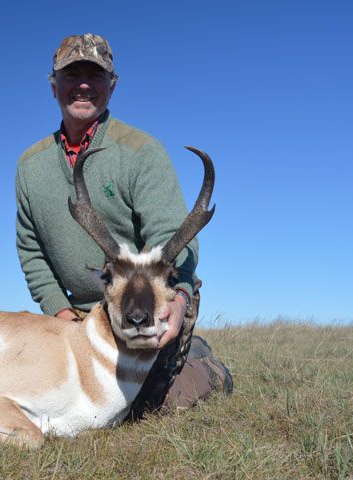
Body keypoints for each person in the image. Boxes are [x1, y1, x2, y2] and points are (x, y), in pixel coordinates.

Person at [15, 34, 232, 414]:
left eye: (95, 76)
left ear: (112, 87)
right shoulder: (30, 166)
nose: (83, 84)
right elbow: (31, 251)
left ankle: (205, 367)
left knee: (142, 407)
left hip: (150, 304)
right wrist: (60, 313)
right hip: (78, 317)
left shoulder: (141, 152)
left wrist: (178, 299)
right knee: (44, 393)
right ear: (53, 86)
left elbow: (172, 237)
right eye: (72, 74)